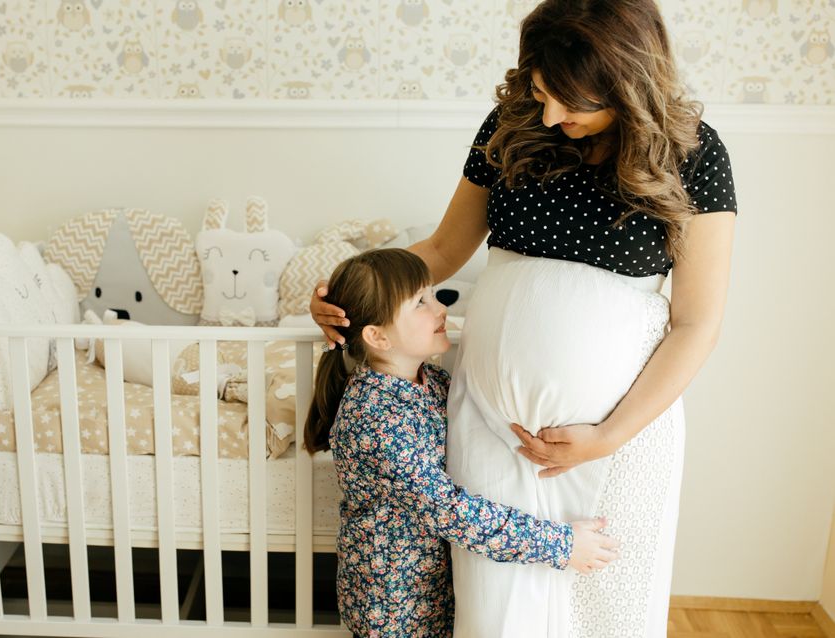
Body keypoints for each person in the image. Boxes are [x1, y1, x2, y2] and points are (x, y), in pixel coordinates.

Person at [311, 1, 737, 636]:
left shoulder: (694, 154)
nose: (551, 115)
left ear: (629, 84)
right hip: (492, 423)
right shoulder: (512, 125)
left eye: (573, 102)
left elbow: (697, 323)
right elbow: (443, 250)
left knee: (608, 611)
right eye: (541, 91)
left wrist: (610, 434)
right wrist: (356, 292)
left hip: (620, 436)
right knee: (495, 611)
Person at [305, 248, 620, 638]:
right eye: (421, 302)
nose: (440, 309)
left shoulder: (432, 382)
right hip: (392, 607)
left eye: (434, 295)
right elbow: (451, 511)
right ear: (377, 336)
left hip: (436, 589)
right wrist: (561, 545)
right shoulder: (375, 419)